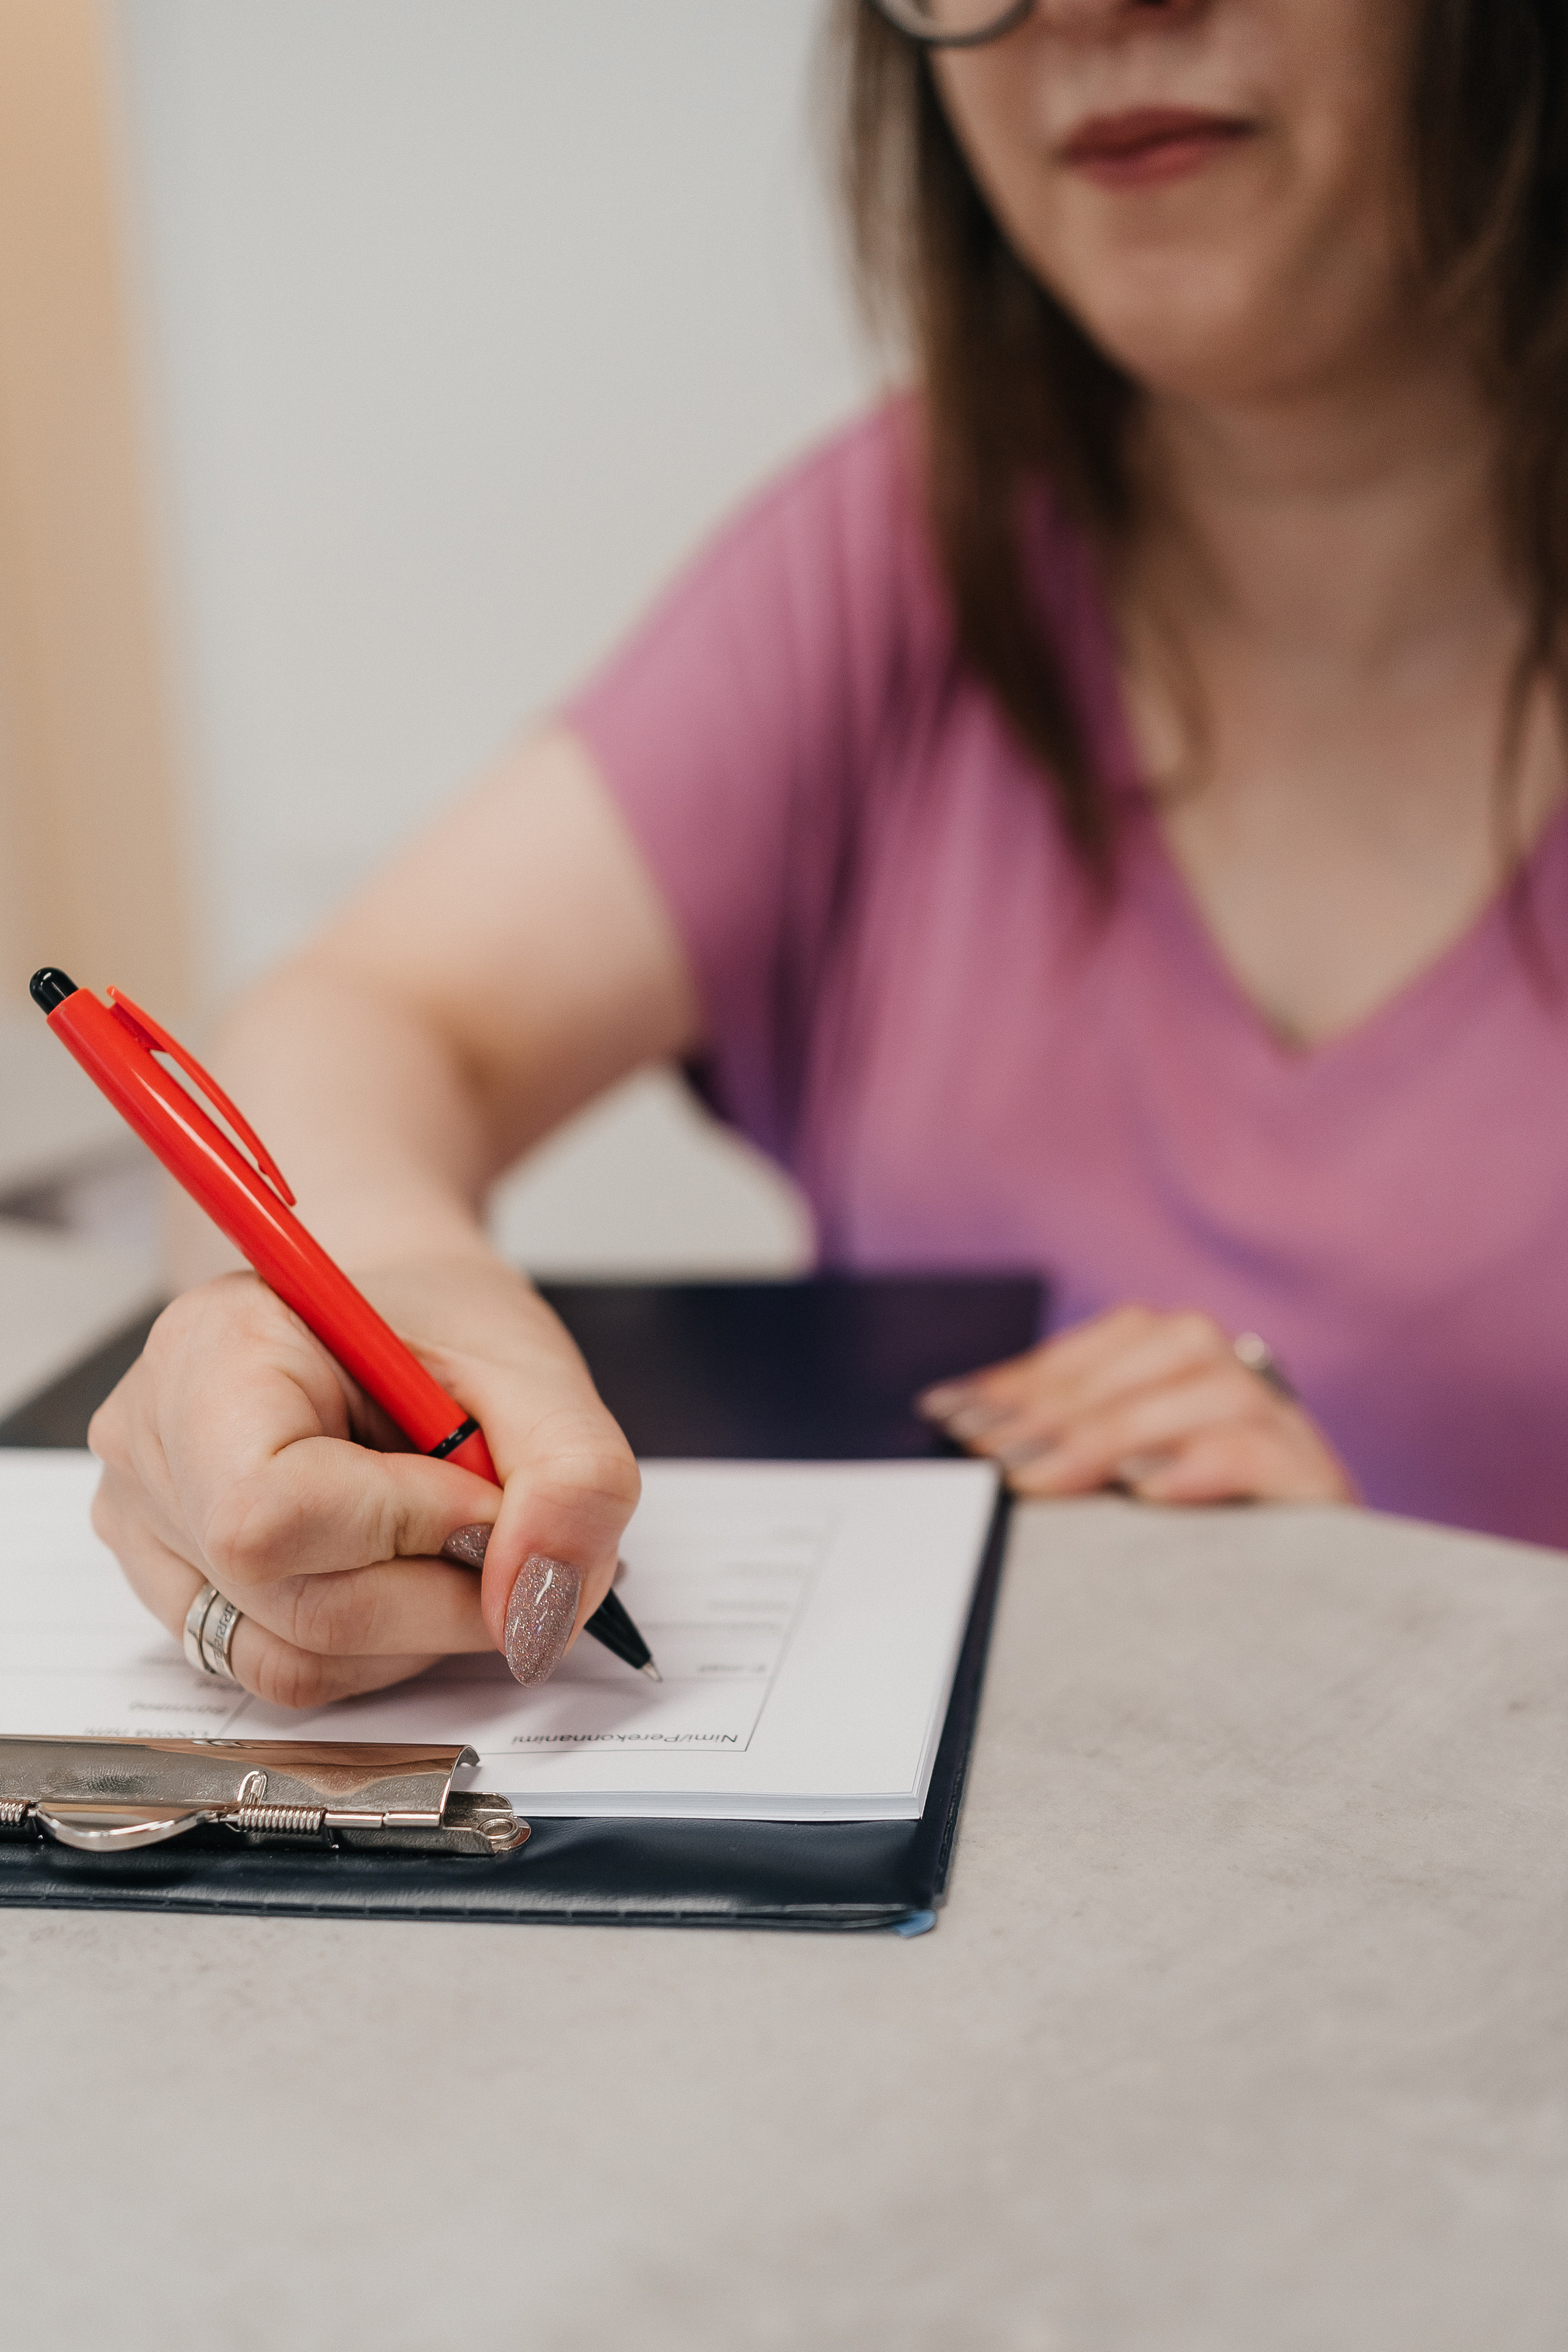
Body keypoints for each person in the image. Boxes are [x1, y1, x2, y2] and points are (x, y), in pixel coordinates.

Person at [89, 0, 1568, 1708]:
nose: (1085, 8)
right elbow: (369, 1013)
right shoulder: (897, 560)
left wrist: (1411, 1647)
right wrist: (383, 1302)